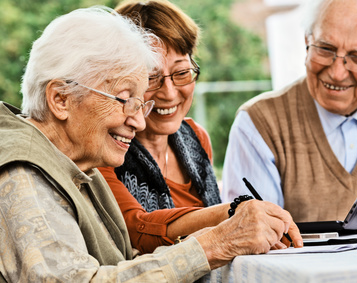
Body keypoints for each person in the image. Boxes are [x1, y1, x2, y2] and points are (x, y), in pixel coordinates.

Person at [0, 6, 302, 282]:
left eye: (139, 102)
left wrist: (226, 238)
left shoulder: (79, 165)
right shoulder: (22, 175)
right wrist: (217, 242)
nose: (140, 121)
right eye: (124, 98)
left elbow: (124, 262)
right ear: (61, 99)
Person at [222, 0, 357, 223]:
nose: (337, 73)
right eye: (325, 49)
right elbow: (250, 236)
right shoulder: (258, 123)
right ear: (307, 41)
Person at [98, 0, 253, 254]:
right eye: (151, 77)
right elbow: (135, 231)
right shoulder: (104, 147)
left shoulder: (196, 138)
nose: (169, 94)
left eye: (181, 73)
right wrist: (234, 212)